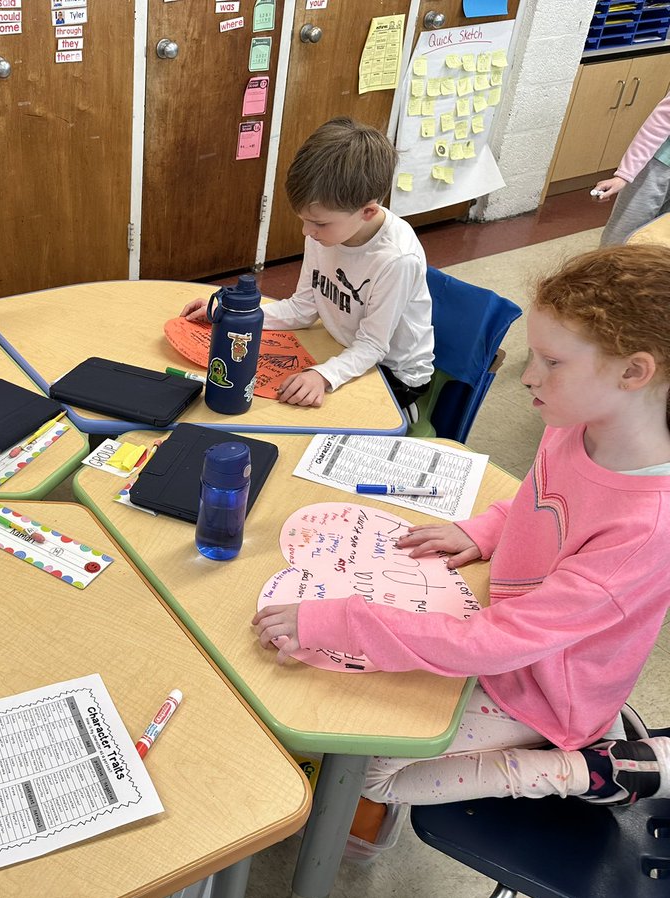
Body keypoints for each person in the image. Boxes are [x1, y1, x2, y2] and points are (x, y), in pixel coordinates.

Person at [252, 244, 670, 809]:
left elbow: (497, 645)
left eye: (553, 362)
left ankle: (582, 769)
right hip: (505, 622)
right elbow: (543, 497)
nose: (528, 377)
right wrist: (488, 529)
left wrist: (344, 621)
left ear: (634, 373)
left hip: (545, 691)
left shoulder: (645, 530)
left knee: (368, 777)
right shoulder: (580, 421)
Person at [181, 117, 433, 415]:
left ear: (367, 212)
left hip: (393, 375)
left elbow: (374, 346)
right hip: (341, 347)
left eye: (318, 223)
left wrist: (323, 376)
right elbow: (302, 309)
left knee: (285, 416)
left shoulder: (396, 259)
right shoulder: (327, 232)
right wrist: (236, 316)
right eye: (304, 220)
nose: (307, 232)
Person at [594, 89, 670, 247]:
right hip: (657, 166)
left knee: (661, 241)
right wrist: (624, 175)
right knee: (621, 236)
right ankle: (604, 270)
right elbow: (657, 126)